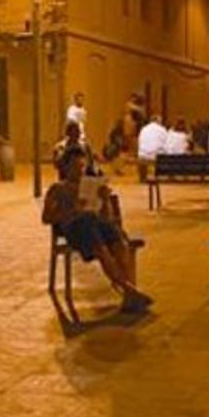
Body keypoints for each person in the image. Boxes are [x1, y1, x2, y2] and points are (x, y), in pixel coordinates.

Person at [42, 148, 152, 313]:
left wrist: (104, 200)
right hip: (75, 229)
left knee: (116, 241)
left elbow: (106, 217)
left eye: (81, 166)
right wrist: (72, 210)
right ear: (65, 168)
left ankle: (127, 292)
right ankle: (128, 290)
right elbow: (46, 217)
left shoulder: (88, 186)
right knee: (97, 240)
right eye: (75, 167)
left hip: (94, 225)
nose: (79, 171)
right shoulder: (58, 189)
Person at [136, 114, 168, 182]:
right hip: (157, 156)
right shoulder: (162, 129)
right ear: (158, 121)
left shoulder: (144, 129)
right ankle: (159, 177)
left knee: (142, 157)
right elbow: (167, 143)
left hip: (143, 156)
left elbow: (139, 142)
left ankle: (142, 178)